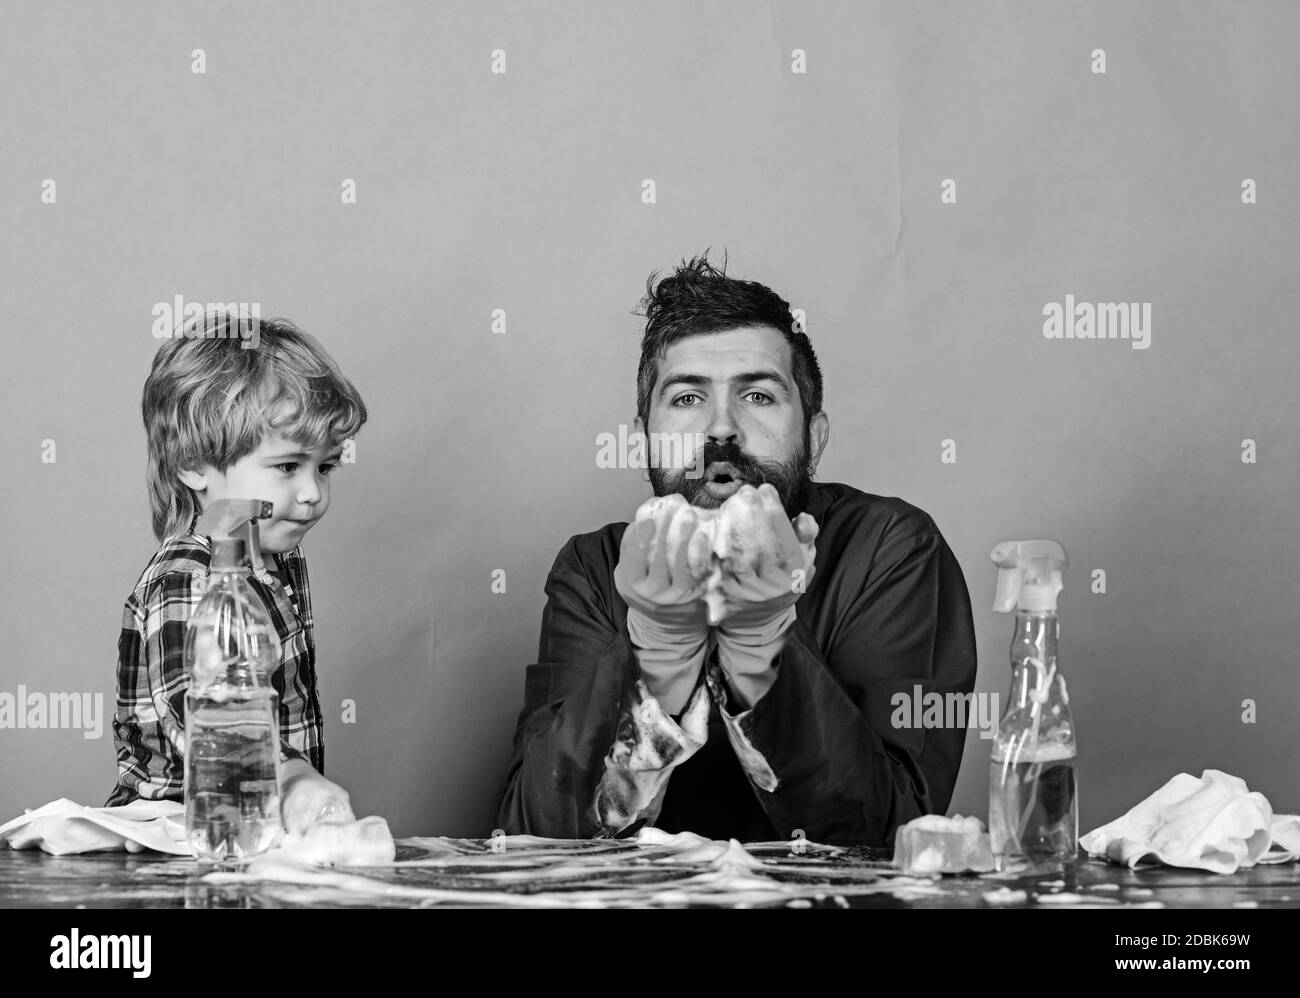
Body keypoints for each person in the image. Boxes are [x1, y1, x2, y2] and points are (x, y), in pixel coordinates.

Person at [498, 255, 977, 845]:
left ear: (815, 435)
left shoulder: (892, 550)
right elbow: (531, 834)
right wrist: (650, 660)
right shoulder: (594, 571)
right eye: (687, 399)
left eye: (757, 395)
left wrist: (766, 648)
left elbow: (894, 833)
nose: (721, 429)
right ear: (645, 433)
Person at [107, 311, 366, 836]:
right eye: (288, 466)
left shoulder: (276, 563)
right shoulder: (186, 579)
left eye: (326, 467)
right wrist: (293, 778)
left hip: (254, 830)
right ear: (194, 462)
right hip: (177, 837)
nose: (313, 492)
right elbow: (199, 706)